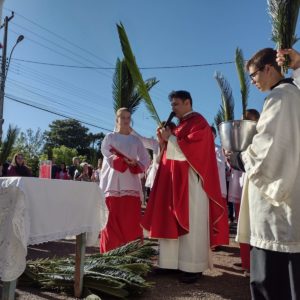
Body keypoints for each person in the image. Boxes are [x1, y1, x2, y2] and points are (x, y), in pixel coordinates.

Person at [226, 48, 300, 299]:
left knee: (271, 281)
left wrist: (238, 158)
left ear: (269, 68)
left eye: (254, 75)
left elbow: (266, 150)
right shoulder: (294, 94)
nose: (253, 82)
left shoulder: (280, 97)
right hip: (290, 202)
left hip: (276, 210)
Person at [142, 90, 229, 283]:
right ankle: (170, 263)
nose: (172, 108)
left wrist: (170, 139)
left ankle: (193, 266)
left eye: (176, 104)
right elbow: (170, 152)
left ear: (187, 102)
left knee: (193, 222)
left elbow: (192, 151)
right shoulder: (181, 125)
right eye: (172, 105)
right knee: (170, 220)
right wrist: (164, 141)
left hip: (192, 182)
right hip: (173, 182)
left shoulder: (199, 123)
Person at [99, 107, 150, 253]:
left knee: (130, 222)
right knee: (111, 222)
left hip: (131, 185)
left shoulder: (136, 140)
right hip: (112, 184)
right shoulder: (110, 137)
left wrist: (136, 164)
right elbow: (107, 155)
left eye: (128, 118)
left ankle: (132, 255)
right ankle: (111, 255)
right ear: (117, 120)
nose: (126, 121)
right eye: (123, 118)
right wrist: (123, 160)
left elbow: (146, 159)